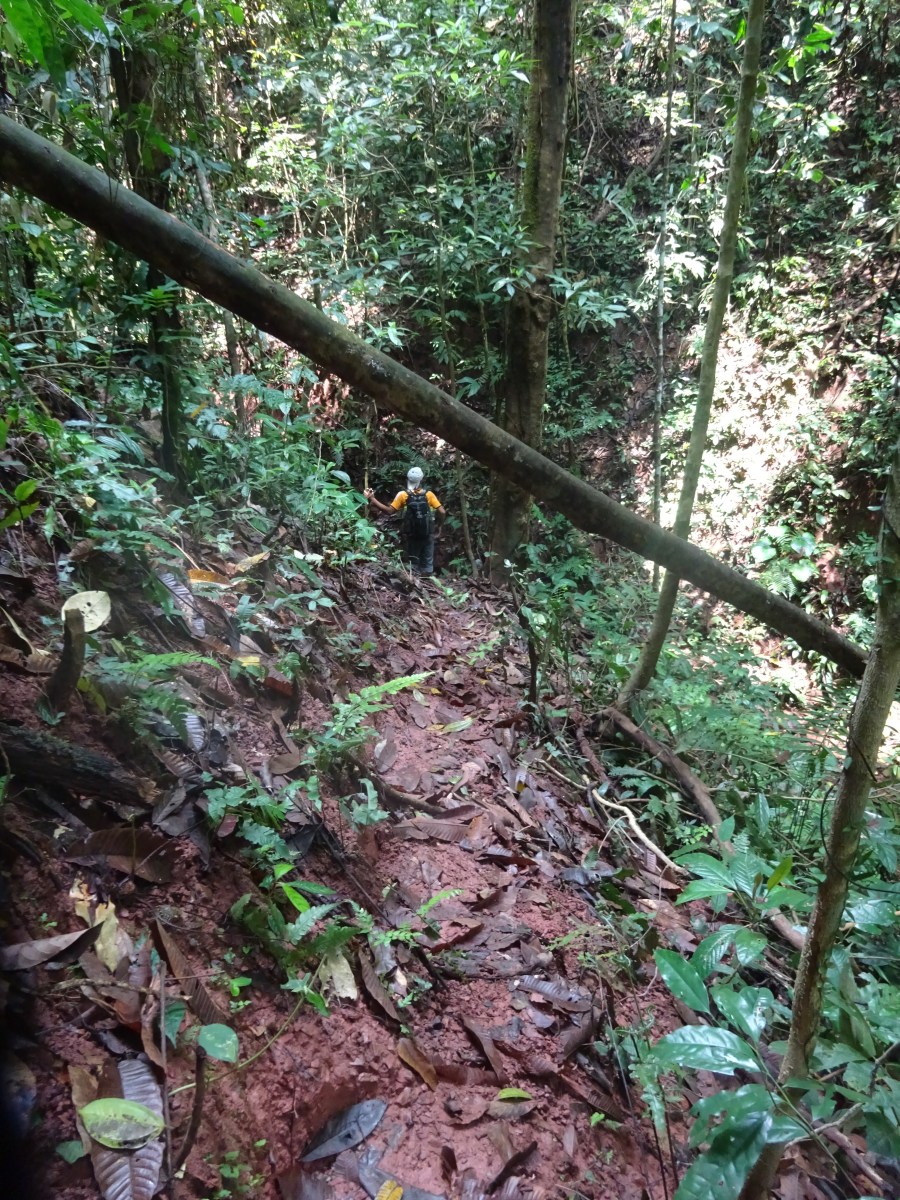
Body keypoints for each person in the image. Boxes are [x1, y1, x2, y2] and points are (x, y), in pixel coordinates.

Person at [364, 467, 446, 576]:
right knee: (428, 560)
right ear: (421, 479)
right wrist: (439, 525)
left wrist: (372, 499)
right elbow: (442, 512)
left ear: (408, 479)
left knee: (413, 560)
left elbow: (389, 511)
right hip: (428, 532)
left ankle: (415, 580)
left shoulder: (403, 495)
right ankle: (429, 580)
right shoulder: (429, 495)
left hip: (412, 534)